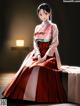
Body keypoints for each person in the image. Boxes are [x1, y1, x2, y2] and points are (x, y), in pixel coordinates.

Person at [2, 3, 67, 103]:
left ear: (49, 13)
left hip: (50, 54)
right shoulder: (37, 27)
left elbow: (55, 43)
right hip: (38, 53)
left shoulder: (53, 26)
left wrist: (45, 57)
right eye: (40, 14)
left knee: (41, 68)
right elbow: (35, 43)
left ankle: (39, 96)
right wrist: (38, 54)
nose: (43, 16)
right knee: (26, 67)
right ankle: (22, 94)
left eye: (45, 13)